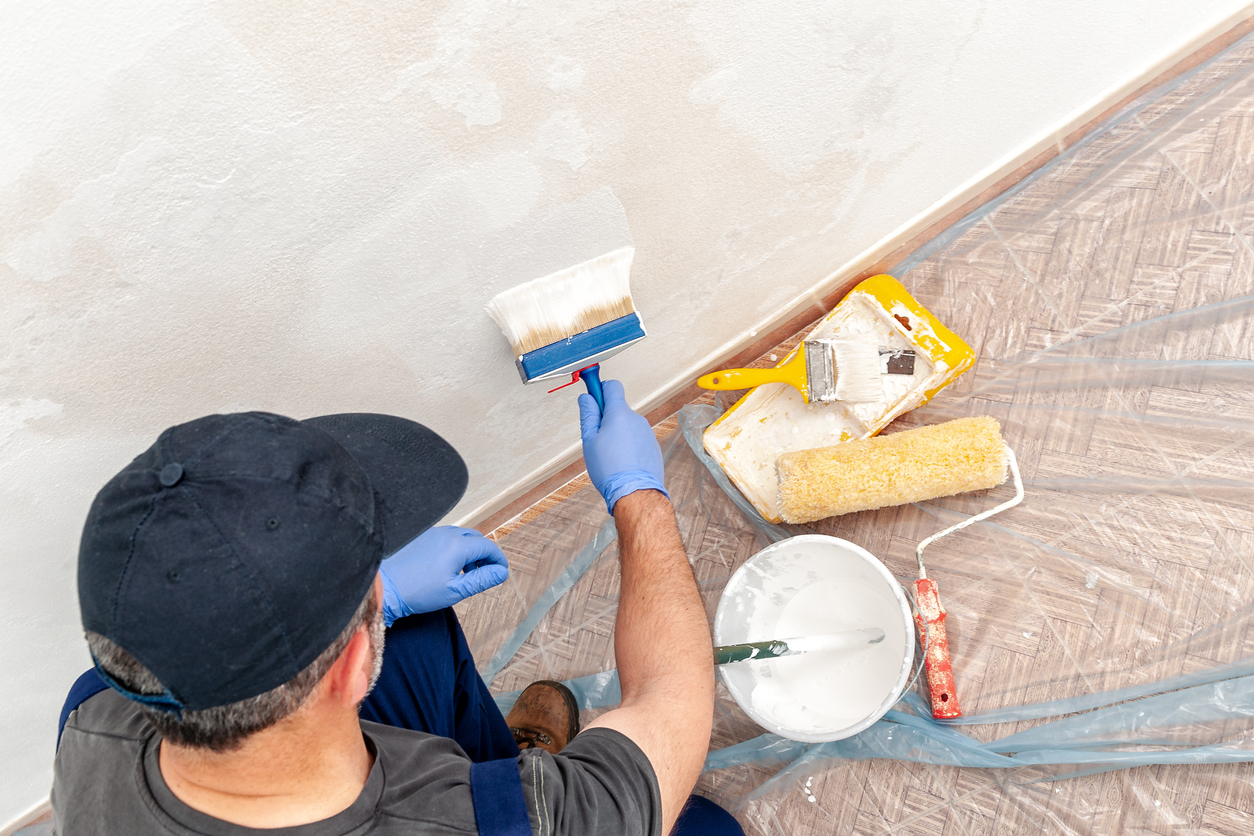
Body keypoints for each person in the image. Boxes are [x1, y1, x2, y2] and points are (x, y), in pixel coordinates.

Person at [51, 380, 744, 835]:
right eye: (370, 587)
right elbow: (671, 699)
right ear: (353, 665)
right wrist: (636, 494)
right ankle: (522, 772)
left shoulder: (90, 723)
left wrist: (383, 607)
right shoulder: (498, 825)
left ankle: (500, 754)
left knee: (415, 640)